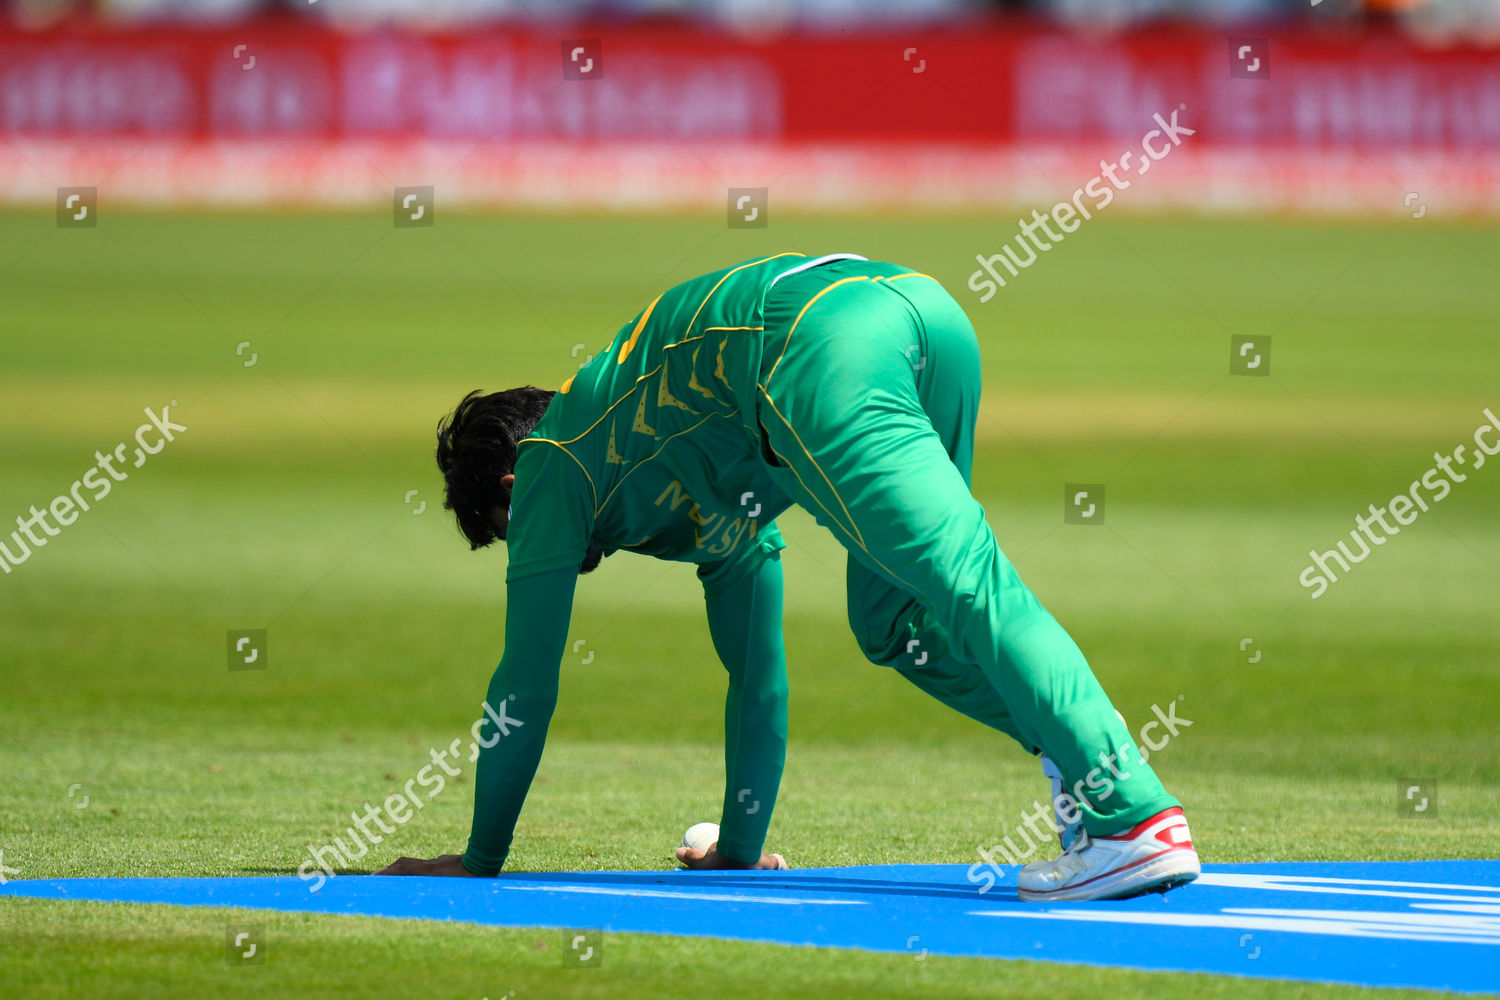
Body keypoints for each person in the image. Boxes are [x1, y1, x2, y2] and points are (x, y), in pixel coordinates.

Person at [375, 253, 1199, 901]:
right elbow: (757, 682)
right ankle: (1077, 740)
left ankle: (1130, 815)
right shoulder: (693, 480)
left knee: (968, 581)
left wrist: (479, 862)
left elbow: (524, 686)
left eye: (503, 533)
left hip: (818, 350)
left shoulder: (554, 461)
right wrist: (736, 852)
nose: (528, 554)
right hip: (924, 315)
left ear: (511, 491)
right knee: (893, 626)